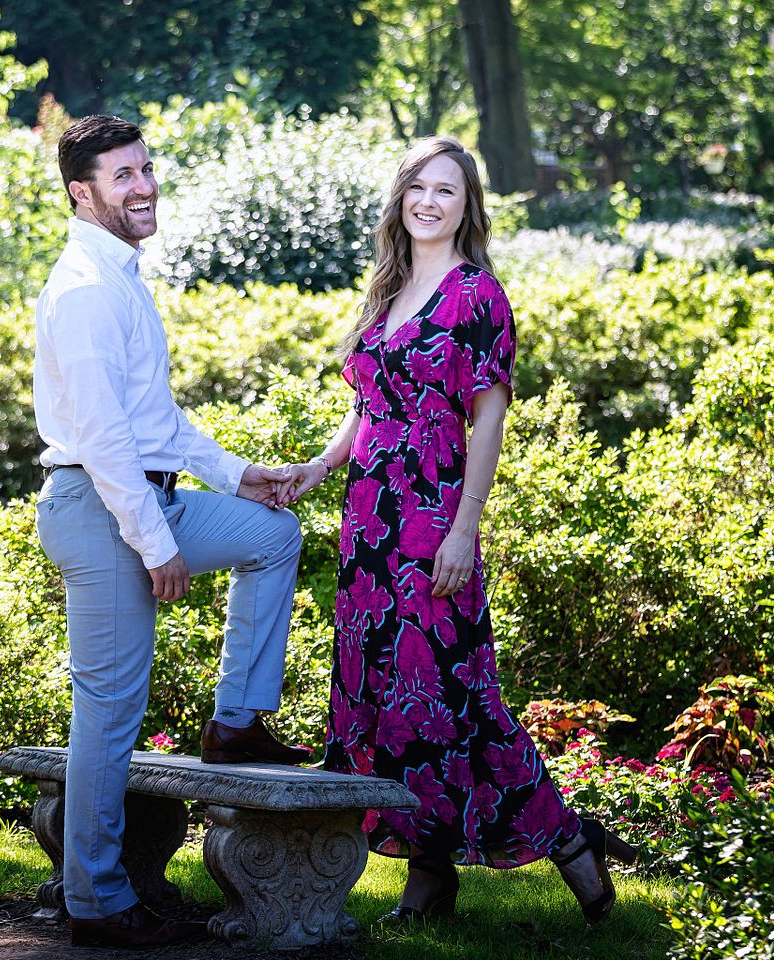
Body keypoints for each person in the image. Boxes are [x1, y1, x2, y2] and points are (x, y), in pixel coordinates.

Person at [285, 136, 636, 923]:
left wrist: (462, 530)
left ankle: (570, 838)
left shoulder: (477, 294)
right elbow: (367, 407)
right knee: (385, 693)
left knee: (451, 698)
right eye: (418, 187)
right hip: (368, 524)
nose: (430, 202)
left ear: (467, 205)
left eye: (447, 190)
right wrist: (313, 470)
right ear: (400, 199)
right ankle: (432, 876)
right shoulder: (389, 286)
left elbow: (488, 417)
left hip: (431, 519)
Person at [32, 114, 311, 950]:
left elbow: (155, 418)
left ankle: (235, 722)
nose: (145, 185)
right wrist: (156, 544)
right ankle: (96, 902)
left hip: (145, 495)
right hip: (97, 507)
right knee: (110, 714)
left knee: (272, 533)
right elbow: (106, 438)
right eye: (123, 176)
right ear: (83, 193)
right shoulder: (83, 287)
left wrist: (236, 476)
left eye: (146, 168)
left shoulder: (122, 277)